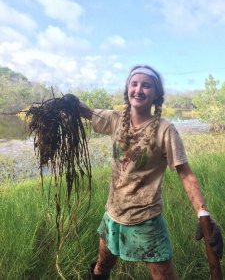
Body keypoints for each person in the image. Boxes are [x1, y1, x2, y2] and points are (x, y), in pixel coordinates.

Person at [64, 65, 223, 280]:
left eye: (146, 85)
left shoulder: (165, 130)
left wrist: (203, 212)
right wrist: (71, 102)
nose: (139, 89)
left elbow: (185, 173)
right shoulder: (116, 120)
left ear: (156, 94)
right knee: (101, 267)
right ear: (127, 89)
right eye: (134, 84)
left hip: (146, 219)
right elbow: (87, 112)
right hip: (113, 214)